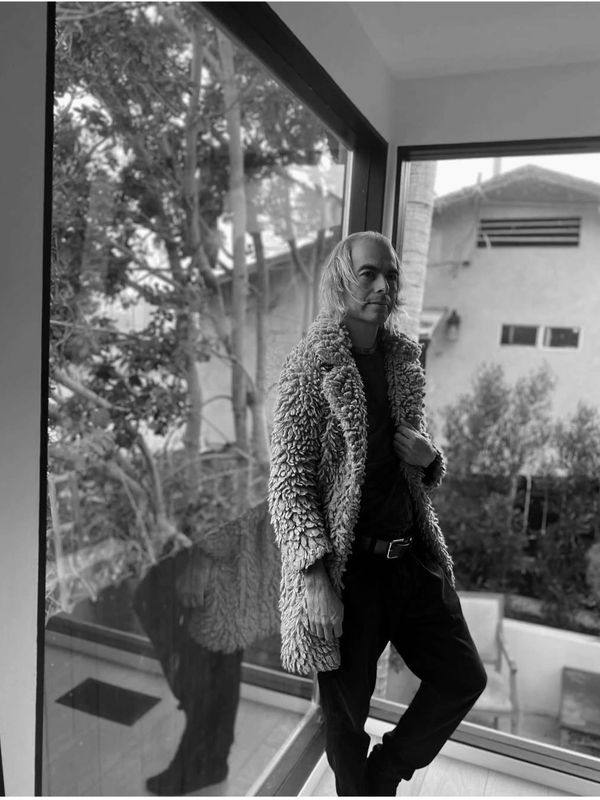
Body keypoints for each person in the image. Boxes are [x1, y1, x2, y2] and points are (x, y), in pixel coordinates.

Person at [268, 231, 487, 796]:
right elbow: (289, 484)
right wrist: (316, 578)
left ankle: (386, 773)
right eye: (369, 274)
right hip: (350, 572)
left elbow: (409, 455)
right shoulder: (308, 369)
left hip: (413, 559)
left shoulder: (401, 358)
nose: (383, 286)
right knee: (344, 724)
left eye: (390, 274)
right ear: (342, 279)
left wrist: (431, 458)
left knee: (464, 677)